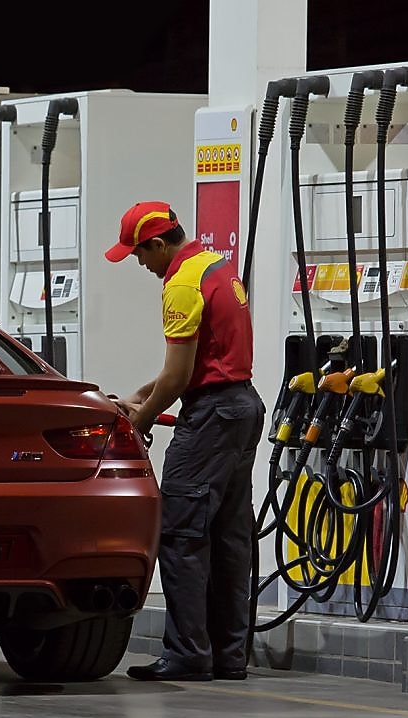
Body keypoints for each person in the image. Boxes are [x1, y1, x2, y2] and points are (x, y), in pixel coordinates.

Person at [105, 200, 265, 682]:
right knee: (230, 537)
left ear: (157, 244)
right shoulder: (214, 265)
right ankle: (229, 655)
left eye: (139, 253)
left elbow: (178, 376)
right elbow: (198, 364)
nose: (140, 263)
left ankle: (189, 655)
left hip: (212, 416)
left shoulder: (180, 283)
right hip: (242, 406)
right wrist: (141, 395)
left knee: (180, 533)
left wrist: (141, 419)